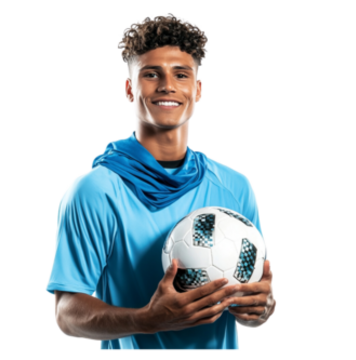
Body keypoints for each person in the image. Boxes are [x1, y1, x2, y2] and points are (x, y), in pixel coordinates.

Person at [46, 12, 275, 351]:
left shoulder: (236, 186)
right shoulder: (94, 191)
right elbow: (66, 315)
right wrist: (145, 319)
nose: (167, 85)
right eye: (151, 74)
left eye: (180, 74)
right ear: (128, 89)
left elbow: (252, 310)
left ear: (198, 90)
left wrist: (260, 308)